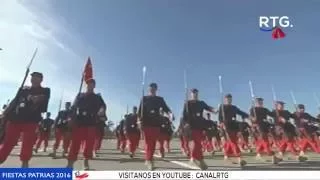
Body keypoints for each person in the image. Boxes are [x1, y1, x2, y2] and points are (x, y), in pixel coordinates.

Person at [0, 72, 50, 167]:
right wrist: (5, 113)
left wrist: (31, 97)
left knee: (27, 145)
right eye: (32, 77)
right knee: (7, 143)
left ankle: (24, 169)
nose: (34, 79)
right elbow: (14, 101)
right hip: (15, 118)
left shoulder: (45, 90)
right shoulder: (23, 89)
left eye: (37, 77)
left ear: (41, 80)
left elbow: (41, 99)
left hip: (31, 120)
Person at [66, 79, 106, 170]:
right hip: (79, 122)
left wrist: (101, 111)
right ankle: (70, 163)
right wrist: (70, 117)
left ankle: (85, 162)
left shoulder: (97, 97)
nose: (90, 85)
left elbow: (103, 106)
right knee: (75, 144)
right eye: (88, 84)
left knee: (89, 145)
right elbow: (73, 107)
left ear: (94, 86)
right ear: (86, 85)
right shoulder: (80, 95)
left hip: (91, 122)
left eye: (92, 84)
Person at [137, 82, 174, 170]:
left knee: (152, 143)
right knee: (148, 142)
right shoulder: (144, 98)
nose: (152, 89)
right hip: (146, 123)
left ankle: (148, 159)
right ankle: (149, 160)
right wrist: (138, 121)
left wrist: (170, 114)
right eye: (151, 88)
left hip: (156, 123)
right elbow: (139, 112)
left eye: (154, 88)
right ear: (149, 89)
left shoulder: (160, 99)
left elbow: (166, 108)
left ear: (156, 89)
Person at [182, 88, 216, 170]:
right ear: (191, 94)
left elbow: (208, 108)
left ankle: (194, 158)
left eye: (196, 93)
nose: (195, 94)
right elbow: (184, 115)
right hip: (191, 126)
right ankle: (200, 159)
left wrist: (214, 110)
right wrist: (186, 124)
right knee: (196, 143)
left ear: (198, 94)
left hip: (199, 126)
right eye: (193, 93)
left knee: (198, 143)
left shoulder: (201, 103)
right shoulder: (187, 103)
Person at [218, 93, 248, 167]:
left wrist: (248, 116)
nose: (229, 100)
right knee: (233, 141)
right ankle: (239, 158)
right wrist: (221, 123)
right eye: (227, 99)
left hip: (234, 125)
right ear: (225, 99)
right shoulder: (222, 107)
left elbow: (240, 112)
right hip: (226, 125)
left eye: (230, 99)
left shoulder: (234, 107)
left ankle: (226, 155)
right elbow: (220, 117)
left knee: (231, 141)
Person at [250, 97, 281, 164]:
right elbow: (251, 118)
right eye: (259, 101)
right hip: (258, 127)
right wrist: (253, 119)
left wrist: (276, 109)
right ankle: (272, 156)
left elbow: (272, 114)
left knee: (263, 141)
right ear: (256, 102)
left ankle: (258, 154)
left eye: (261, 101)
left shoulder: (265, 109)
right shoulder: (253, 109)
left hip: (265, 126)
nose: (260, 102)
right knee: (265, 141)